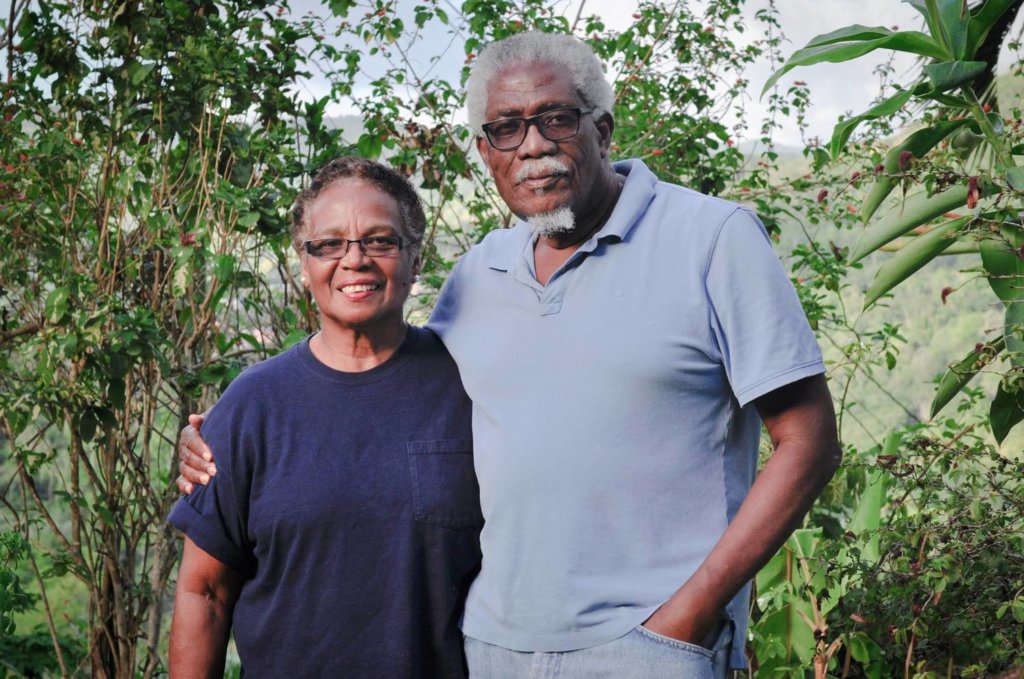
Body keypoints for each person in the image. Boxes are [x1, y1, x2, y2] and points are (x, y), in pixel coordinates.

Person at [179, 32, 841, 677]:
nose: (532, 145)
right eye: (506, 127)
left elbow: (809, 443)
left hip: (647, 648)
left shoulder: (711, 239)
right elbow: (380, 379)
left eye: (555, 118)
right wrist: (231, 430)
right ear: (485, 151)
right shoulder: (482, 270)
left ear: (602, 129)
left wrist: (688, 617)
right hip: (489, 647)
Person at [167, 157, 482, 678]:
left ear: (414, 257)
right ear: (304, 262)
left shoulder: (471, 387)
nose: (353, 260)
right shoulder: (251, 407)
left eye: (379, 240)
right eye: (329, 244)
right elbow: (205, 591)